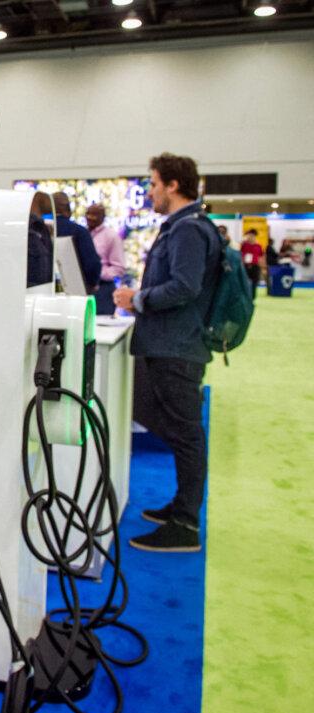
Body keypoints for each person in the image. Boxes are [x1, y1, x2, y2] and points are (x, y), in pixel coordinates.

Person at [114, 152, 221, 553]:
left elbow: (184, 286)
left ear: (173, 185)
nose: (151, 191)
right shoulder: (184, 227)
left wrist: (137, 299)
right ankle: (182, 507)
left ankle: (186, 524)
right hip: (172, 345)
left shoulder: (189, 230)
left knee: (187, 434)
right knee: (180, 430)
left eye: (155, 183)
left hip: (177, 347)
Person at [52, 192, 102, 294]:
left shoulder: (38, 231)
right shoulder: (80, 232)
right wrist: (92, 284)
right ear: (68, 210)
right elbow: (91, 265)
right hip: (76, 292)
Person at [86, 203, 126, 314]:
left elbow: (119, 268)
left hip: (103, 290)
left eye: (94, 215)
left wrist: (97, 272)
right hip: (84, 288)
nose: (90, 217)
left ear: (103, 217)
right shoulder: (83, 234)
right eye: (88, 214)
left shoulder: (111, 236)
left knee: (101, 327)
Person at [239, 229, 263, 301]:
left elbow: (260, 256)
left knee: (254, 282)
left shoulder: (258, 246)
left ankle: (252, 297)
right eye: (249, 235)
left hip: (255, 266)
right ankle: (244, 296)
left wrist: (261, 266)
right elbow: (239, 253)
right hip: (245, 266)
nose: (250, 237)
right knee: (244, 281)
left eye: (252, 236)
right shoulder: (244, 245)